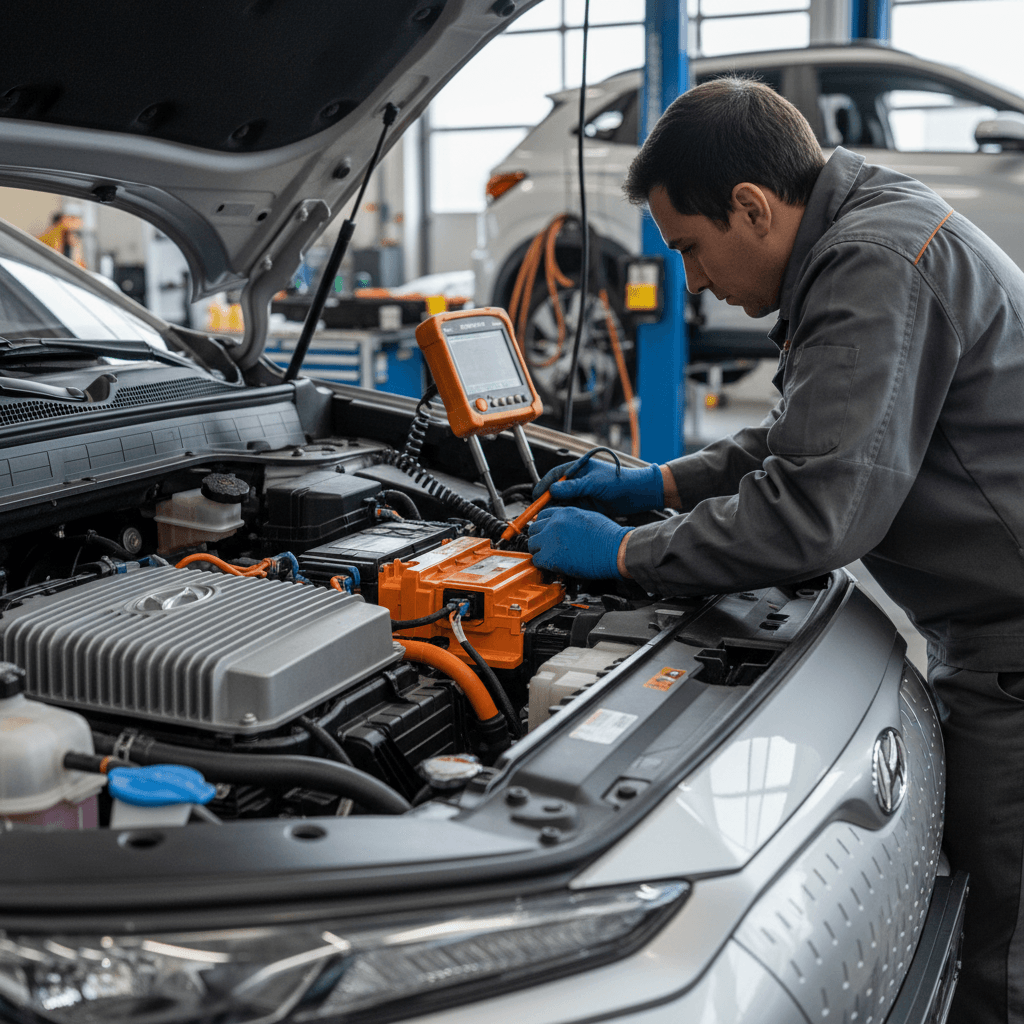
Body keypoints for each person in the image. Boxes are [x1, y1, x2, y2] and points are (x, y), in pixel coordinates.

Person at [526, 77, 1024, 1024]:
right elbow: (823, 432)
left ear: (751, 207)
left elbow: (815, 513)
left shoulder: (873, 263)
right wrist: (664, 485)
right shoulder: (865, 222)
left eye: (689, 248)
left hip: (1015, 647)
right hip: (993, 635)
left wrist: (627, 556)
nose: (693, 281)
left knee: (1003, 954)